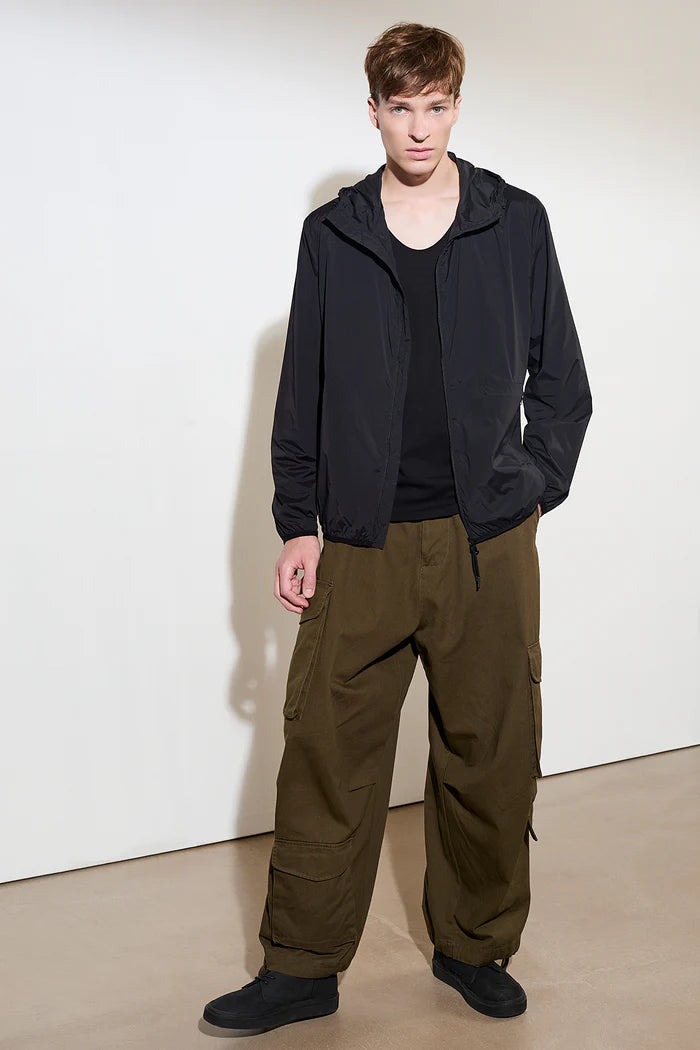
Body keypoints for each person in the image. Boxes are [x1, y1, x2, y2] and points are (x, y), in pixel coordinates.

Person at [203, 20, 592, 1033]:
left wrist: (529, 488)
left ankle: (474, 945)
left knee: (489, 750)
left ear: (457, 106)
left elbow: (561, 379)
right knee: (326, 755)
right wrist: (298, 523)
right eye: (401, 107)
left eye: (437, 105)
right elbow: (300, 390)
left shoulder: (515, 222)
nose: (420, 127)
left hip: (484, 543)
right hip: (361, 540)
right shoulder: (332, 236)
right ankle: (300, 969)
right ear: (372, 111)